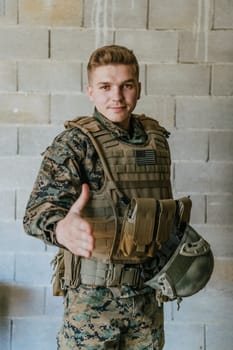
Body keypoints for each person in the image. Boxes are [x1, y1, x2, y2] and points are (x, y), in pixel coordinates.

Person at [23, 45, 174, 350]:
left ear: (139, 89)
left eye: (126, 86)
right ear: (90, 91)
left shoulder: (155, 140)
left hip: (147, 295)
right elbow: (36, 213)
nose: (116, 96)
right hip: (93, 302)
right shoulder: (75, 143)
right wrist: (61, 228)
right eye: (106, 87)